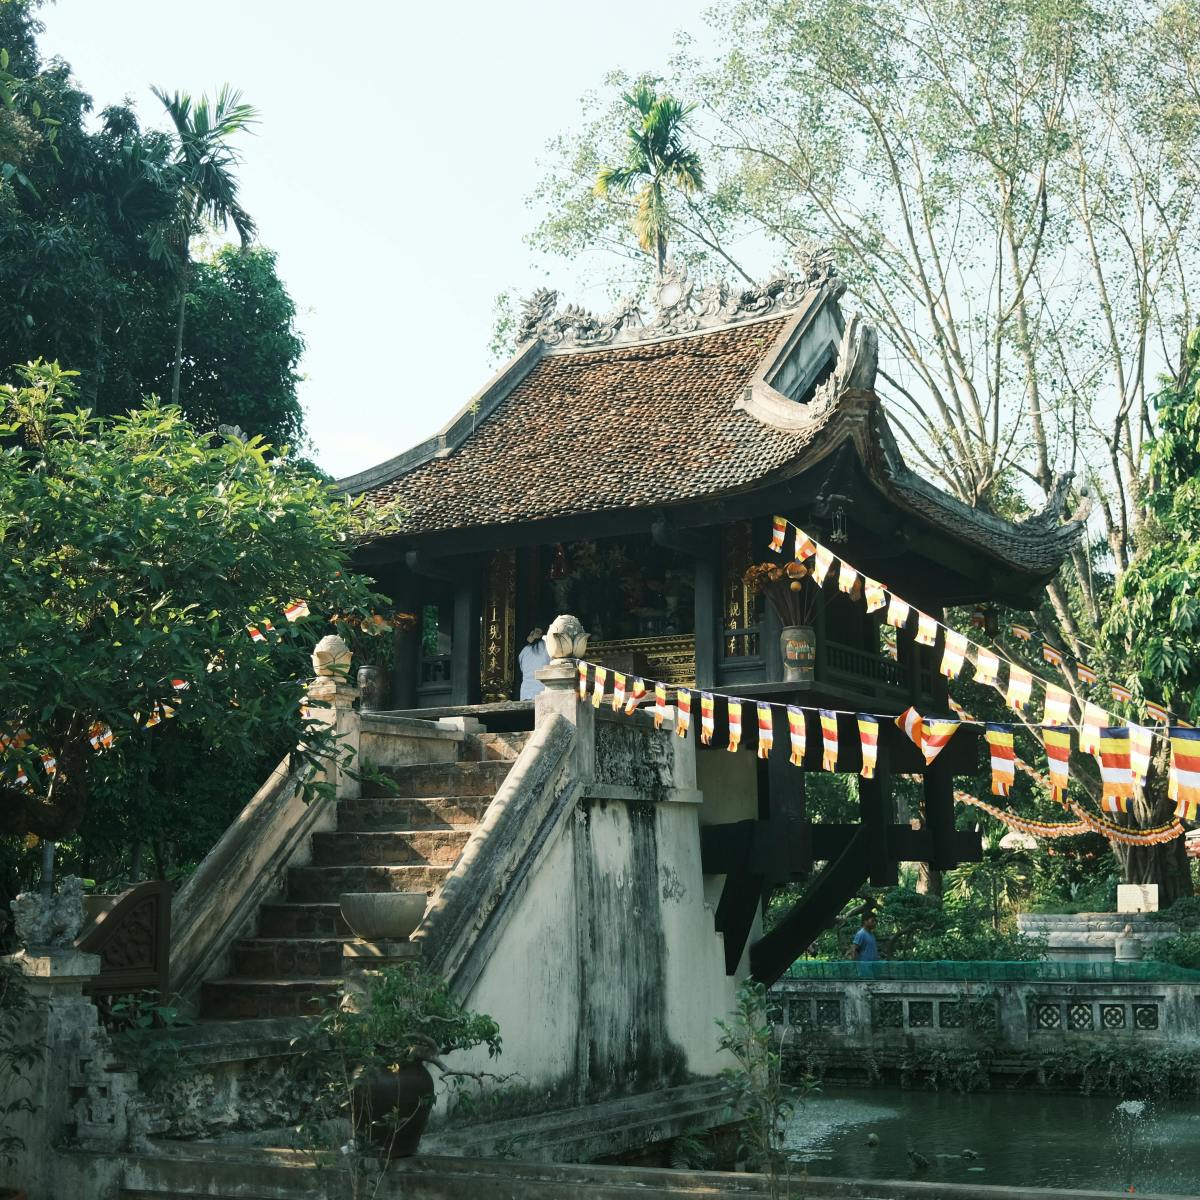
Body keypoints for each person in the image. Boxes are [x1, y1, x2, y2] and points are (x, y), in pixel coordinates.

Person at [518, 627, 550, 700]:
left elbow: (522, 669)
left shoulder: (524, 650)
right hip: (541, 692)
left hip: (525, 693)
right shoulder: (548, 647)